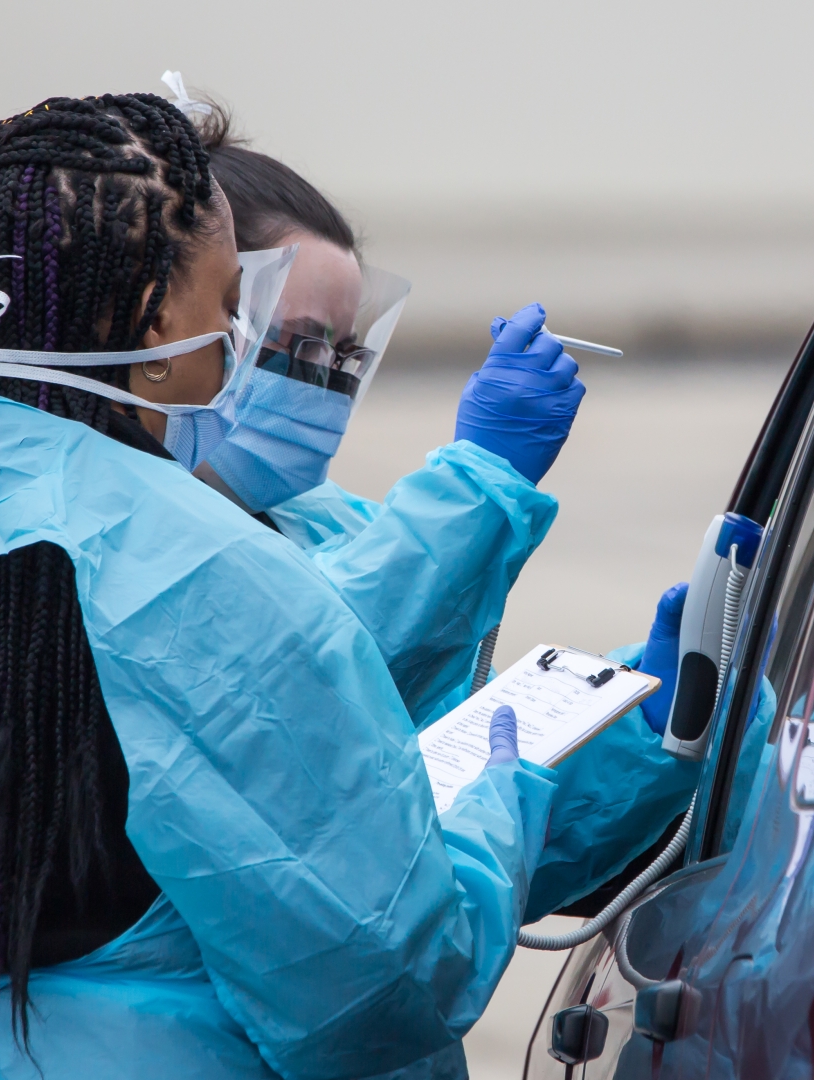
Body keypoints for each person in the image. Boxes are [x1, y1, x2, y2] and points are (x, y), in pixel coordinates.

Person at [0, 92, 582, 1079]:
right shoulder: (208, 569)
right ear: (156, 310)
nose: (231, 352)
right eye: (224, 310)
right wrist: (501, 813)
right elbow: (377, 986)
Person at [187, 109, 703, 925]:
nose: (323, 382)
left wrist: (638, 728)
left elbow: (440, 837)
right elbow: (313, 691)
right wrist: (482, 483)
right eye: (297, 345)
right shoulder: (109, 536)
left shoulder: (325, 524)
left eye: (344, 353)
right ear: (186, 319)